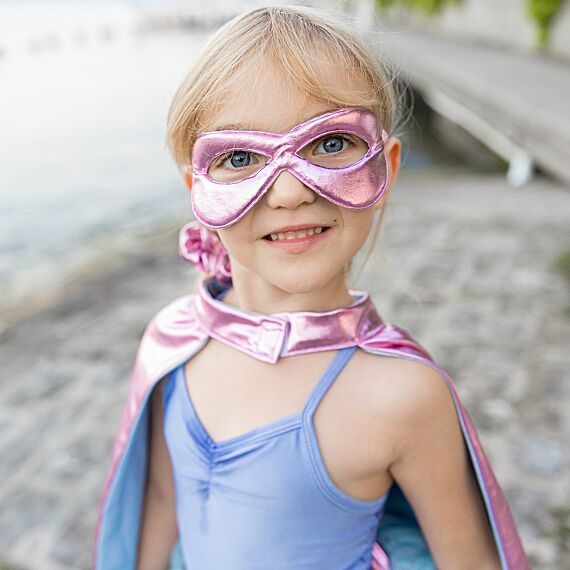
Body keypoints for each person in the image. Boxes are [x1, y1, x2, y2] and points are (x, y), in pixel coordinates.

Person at [93, 5, 529, 569]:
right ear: (195, 189)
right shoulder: (172, 343)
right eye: (239, 157)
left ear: (386, 167)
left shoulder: (404, 396)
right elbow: (159, 501)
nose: (290, 193)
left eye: (329, 145)